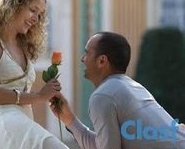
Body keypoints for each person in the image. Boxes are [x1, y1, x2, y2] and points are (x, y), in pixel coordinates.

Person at [51, 32, 185, 149]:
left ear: (102, 61)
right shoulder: (132, 87)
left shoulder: (103, 95)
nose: (82, 59)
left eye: (87, 53)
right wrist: (70, 120)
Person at [0, 0, 69, 149]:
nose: (35, 18)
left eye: (40, 14)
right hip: (2, 121)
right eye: (32, 10)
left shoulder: (24, 47)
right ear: (15, 5)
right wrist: (40, 96)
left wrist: (50, 93)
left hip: (23, 120)